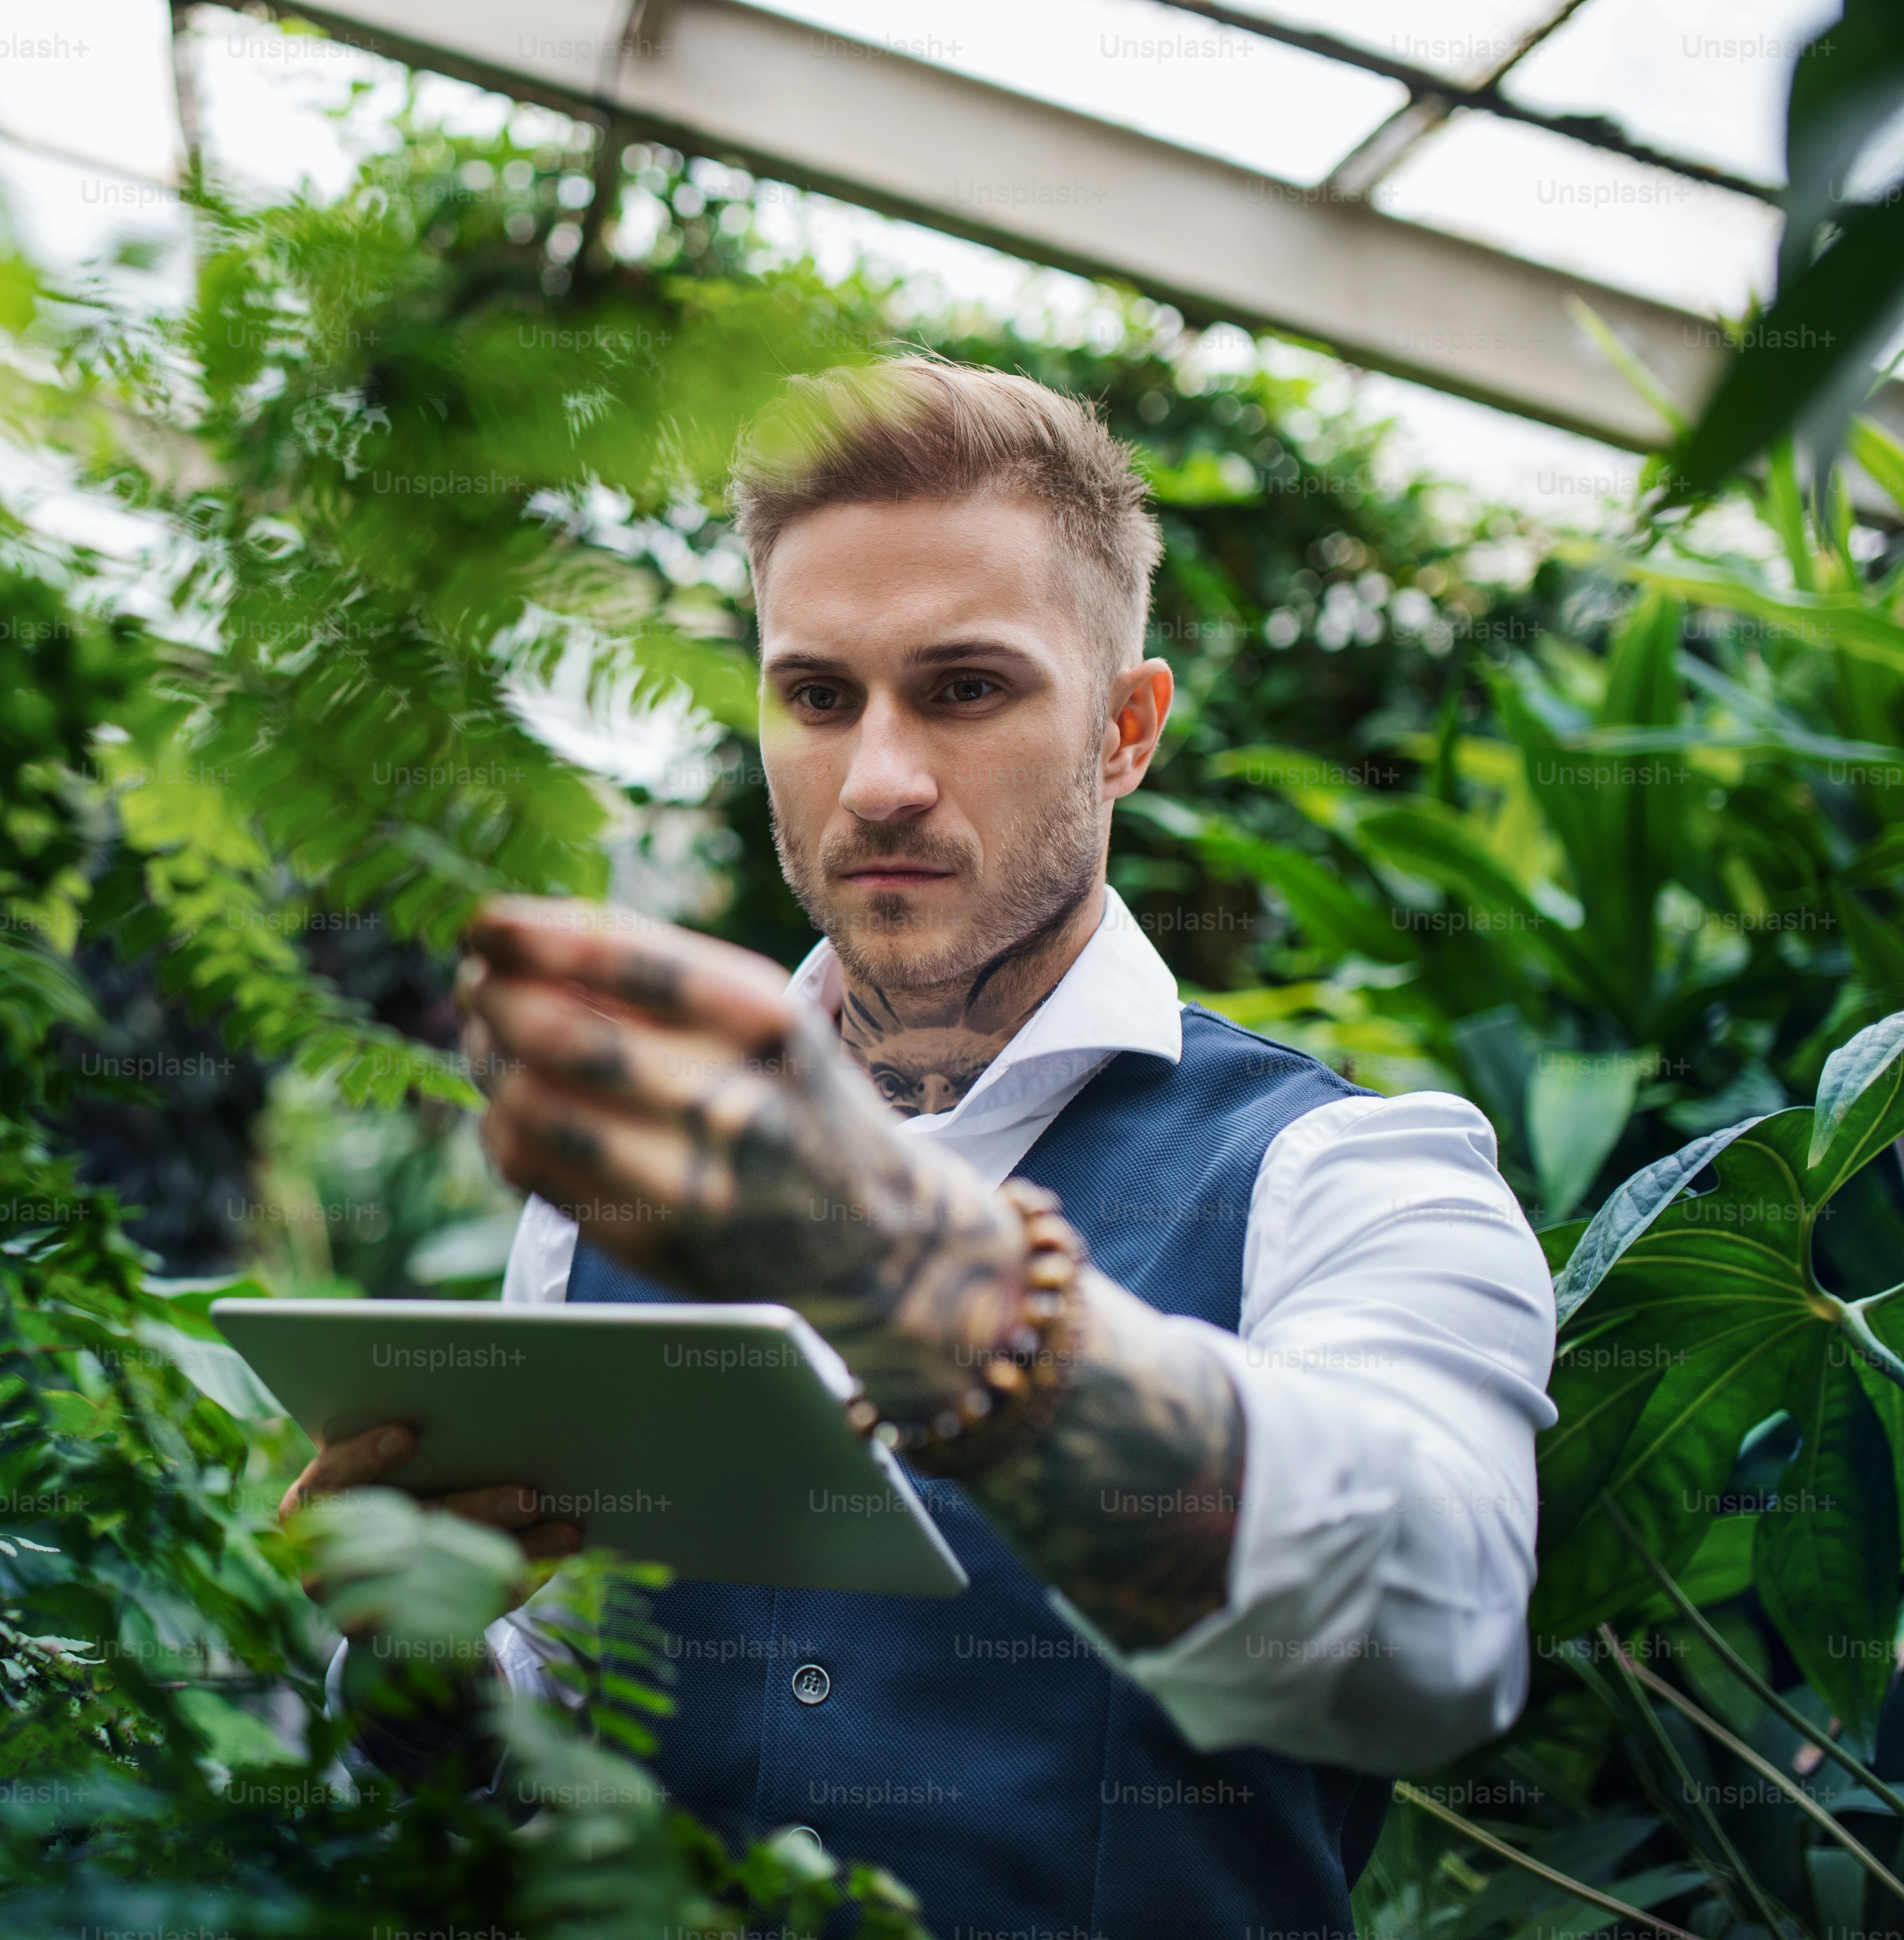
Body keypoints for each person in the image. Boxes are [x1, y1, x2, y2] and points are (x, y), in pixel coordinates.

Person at [280, 355, 1555, 1938]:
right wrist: (423, 1655)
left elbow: (1434, 1644)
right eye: (818, 696)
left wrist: (912, 1270)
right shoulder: (605, 1209)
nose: (878, 782)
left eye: (967, 688)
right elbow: (537, 1733)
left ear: (1126, 730)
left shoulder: (1352, 1178)